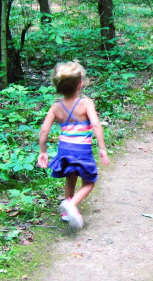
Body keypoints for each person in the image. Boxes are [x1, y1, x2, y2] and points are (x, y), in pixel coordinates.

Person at [37, 61, 109, 229]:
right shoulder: (86, 103)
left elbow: (44, 131)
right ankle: (71, 205)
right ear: (80, 84)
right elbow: (96, 125)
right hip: (82, 150)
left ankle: (66, 212)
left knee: (71, 177)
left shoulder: (56, 107)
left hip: (65, 149)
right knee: (89, 181)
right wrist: (102, 148)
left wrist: (43, 151)